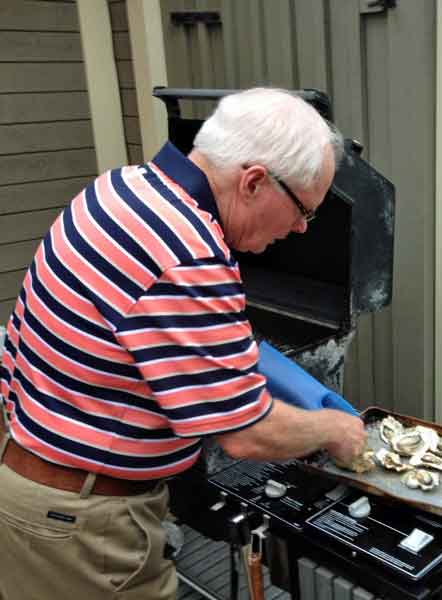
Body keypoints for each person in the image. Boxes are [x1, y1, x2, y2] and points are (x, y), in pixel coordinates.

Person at [0, 88, 367, 600]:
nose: (303, 229)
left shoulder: (120, 188)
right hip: (83, 525)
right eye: (304, 210)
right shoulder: (187, 252)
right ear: (255, 181)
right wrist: (335, 429)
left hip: (36, 484)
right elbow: (245, 433)